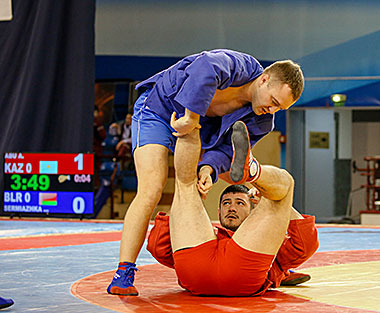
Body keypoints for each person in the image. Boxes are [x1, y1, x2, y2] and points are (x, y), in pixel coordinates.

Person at [107, 49, 305, 295]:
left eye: (280, 108)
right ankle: (124, 271)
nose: (272, 110)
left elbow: (225, 152)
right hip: (159, 110)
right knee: (151, 189)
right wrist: (190, 117)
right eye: (273, 101)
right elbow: (205, 68)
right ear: (264, 79)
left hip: (200, 130)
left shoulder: (262, 121)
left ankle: (250, 174)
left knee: (229, 174)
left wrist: (209, 169)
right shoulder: (239, 66)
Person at [142, 121, 319, 296]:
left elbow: (305, 245)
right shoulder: (211, 232)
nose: (232, 208)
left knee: (184, 185)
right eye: (226, 203)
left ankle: (190, 119)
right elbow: (157, 246)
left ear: (252, 212)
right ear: (218, 212)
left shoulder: (272, 245)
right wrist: (190, 209)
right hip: (231, 273)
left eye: (240, 203)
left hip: (198, 275)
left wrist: (274, 203)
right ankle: (191, 121)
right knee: (188, 186)